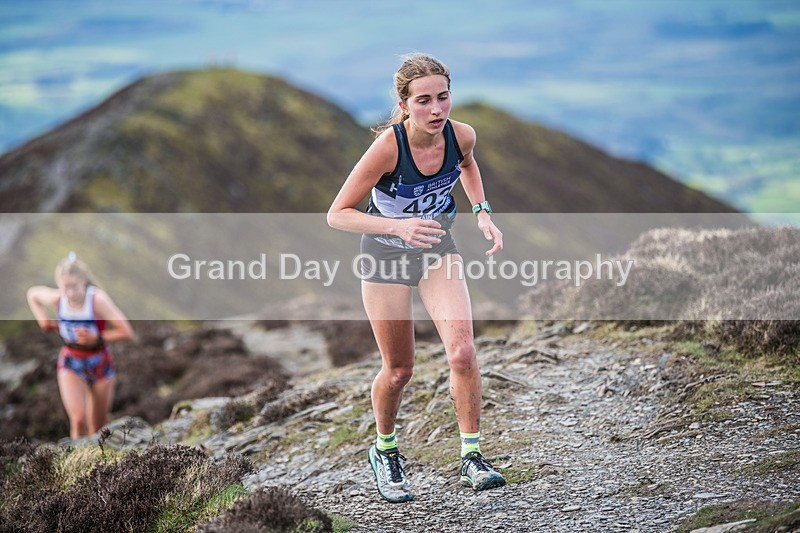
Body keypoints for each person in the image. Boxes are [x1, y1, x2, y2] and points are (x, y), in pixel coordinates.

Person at [327, 53, 506, 503]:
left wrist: (482, 213)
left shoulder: (461, 135)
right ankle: (385, 450)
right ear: (404, 104)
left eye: (443, 97)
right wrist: (397, 226)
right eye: (423, 100)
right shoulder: (389, 147)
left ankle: (472, 457)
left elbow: (467, 166)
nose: (436, 109)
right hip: (385, 255)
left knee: (463, 351)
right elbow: (338, 214)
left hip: (437, 251)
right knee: (400, 369)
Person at [26, 253, 134, 439]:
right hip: (71, 361)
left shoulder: (97, 300)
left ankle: (97, 464)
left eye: (74, 287)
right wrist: (43, 320)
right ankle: (77, 463)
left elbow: (127, 332)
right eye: (65, 287)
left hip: (100, 362)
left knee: (98, 429)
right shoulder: (57, 299)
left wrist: (97, 338)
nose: (70, 293)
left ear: (83, 281)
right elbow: (32, 294)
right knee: (78, 421)